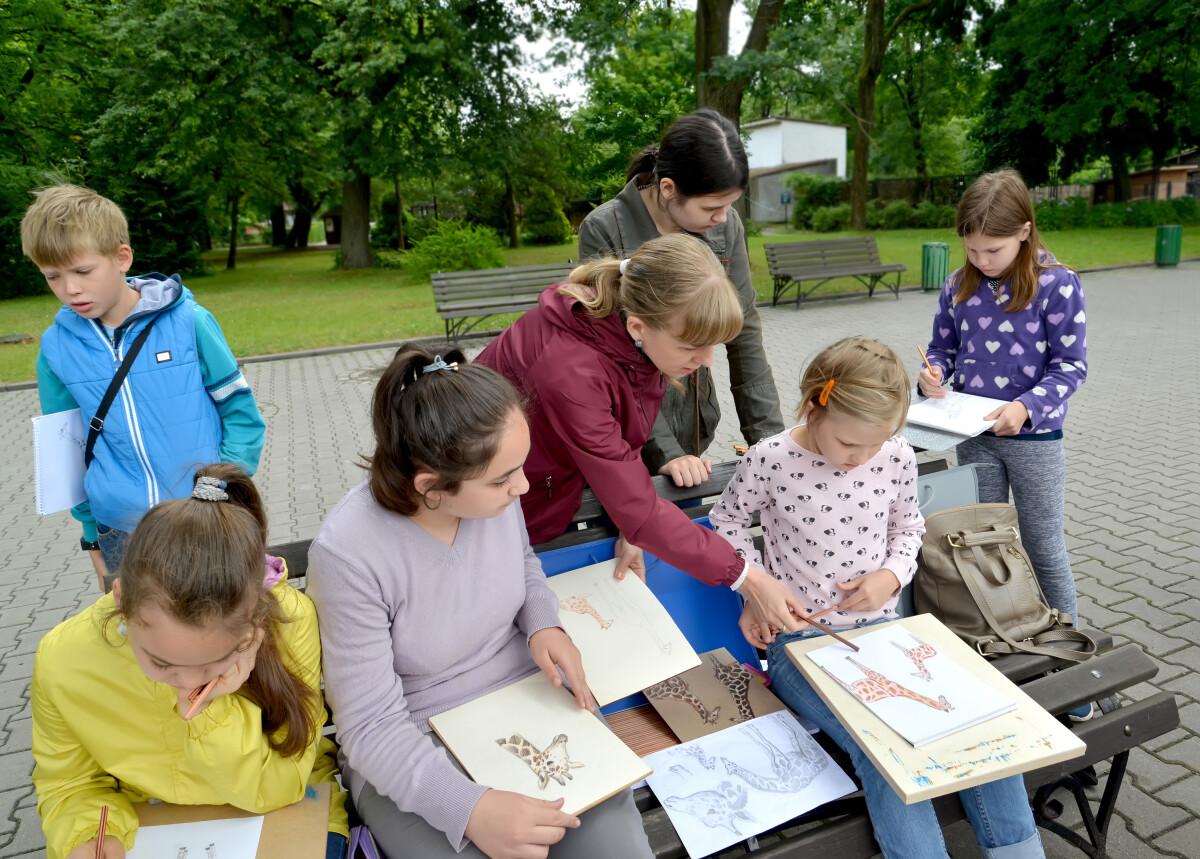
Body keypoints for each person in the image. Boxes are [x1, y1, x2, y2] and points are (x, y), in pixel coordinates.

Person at [306, 344, 653, 859]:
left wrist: (543, 625)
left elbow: (524, 566)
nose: (524, 485)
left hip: (527, 702)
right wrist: (470, 809)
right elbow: (370, 728)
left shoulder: (493, 497)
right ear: (431, 488)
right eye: (503, 478)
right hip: (412, 750)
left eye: (520, 466)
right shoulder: (349, 553)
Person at [709, 337, 1044, 859]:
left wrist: (891, 576)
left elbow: (909, 528)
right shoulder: (770, 458)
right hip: (802, 646)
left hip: (891, 640)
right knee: (884, 749)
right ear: (815, 404)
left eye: (876, 444)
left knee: (980, 730)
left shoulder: (895, 454)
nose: (861, 458)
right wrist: (752, 589)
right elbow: (723, 524)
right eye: (848, 444)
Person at [476, 233, 810, 635]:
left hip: (539, 487)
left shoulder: (630, 332)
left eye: (714, 347)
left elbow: (621, 441)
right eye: (693, 346)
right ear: (638, 326)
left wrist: (631, 525)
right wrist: (748, 577)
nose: (705, 362)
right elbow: (629, 488)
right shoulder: (571, 369)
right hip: (491, 504)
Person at [31, 464, 349, 859]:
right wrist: (90, 838)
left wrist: (211, 714)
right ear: (120, 602)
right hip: (150, 825)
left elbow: (282, 786)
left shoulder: (290, 621)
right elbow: (70, 785)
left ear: (254, 627)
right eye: (162, 663)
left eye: (212, 664)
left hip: (290, 812)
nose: (187, 685)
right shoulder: (65, 660)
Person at [22, 184, 266, 592]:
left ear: (122, 257)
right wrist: (91, 535)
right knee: (149, 645)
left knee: (226, 627)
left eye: (82, 271)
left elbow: (241, 416)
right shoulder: (55, 350)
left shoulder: (190, 321)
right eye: (53, 276)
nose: (70, 289)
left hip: (206, 514)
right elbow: (66, 449)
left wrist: (216, 487)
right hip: (120, 529)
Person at [577, 108, 784, 488]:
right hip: (625, 434)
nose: (723, 218)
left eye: (730, 205)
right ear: (668, 188)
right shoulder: (604, 229)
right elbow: (612, 353)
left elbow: (744, 331)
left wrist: (771, 443)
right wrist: (666, 452)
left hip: (693, 421)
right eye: (711, 208)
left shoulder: (726, 226)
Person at [918, 169, 1087, 626]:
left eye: (993, 249)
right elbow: (943, 349)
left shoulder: (1058, 284)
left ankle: (1070, 645)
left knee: (1043, 546)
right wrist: (932, 373)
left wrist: (1025, 407)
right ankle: (1002, 634)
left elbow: (1071, 366)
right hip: (973, 436)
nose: (982, 259)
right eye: (972, 249)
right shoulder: (958, 284)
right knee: (980, 542)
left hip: (1035, 442)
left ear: (1025, 231)